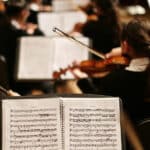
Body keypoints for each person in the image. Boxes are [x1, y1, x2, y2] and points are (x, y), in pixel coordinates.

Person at [77, 18, 150, 122]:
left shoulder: (114, 81)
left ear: (125, 45)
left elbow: (96, 108)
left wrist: (82, 81)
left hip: (129, 137)